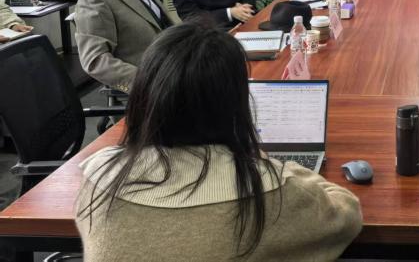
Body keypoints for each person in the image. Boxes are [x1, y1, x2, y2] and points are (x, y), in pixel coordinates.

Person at [75, 22, 362, 261]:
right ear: (236, 104)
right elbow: (346, 214)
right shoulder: (268, 191)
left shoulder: (98, 176)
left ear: (145, 94)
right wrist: (272, 163)